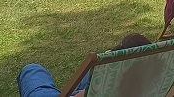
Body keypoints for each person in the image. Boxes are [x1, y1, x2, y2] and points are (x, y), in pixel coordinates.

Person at [18, 34, 153, 97]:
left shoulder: (110, 89)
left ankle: (111, 58)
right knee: (94, 72)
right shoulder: (157, 85)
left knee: (32, 70)